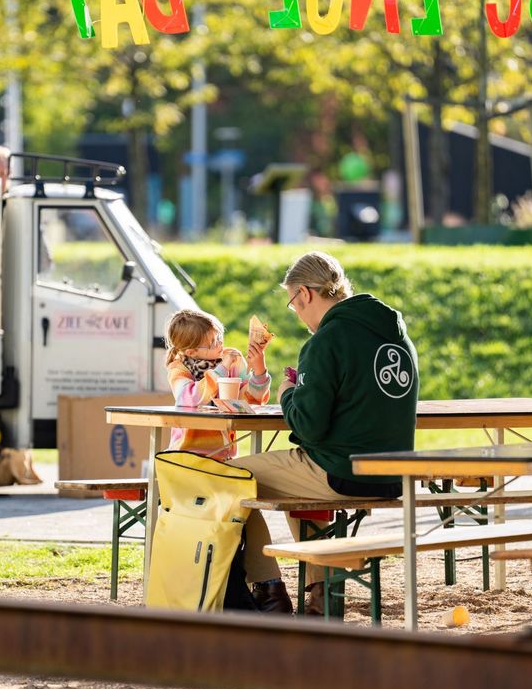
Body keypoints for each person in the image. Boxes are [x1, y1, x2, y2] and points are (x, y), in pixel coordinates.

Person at [230, 252, 419, 615]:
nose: (298, 314)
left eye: (293, 304)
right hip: (393, 475)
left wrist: (287, 393)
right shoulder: (397, 335)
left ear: (304, 294)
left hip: (341, 471)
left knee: (230, 478)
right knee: (298, 488)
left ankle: (269, 589)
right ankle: (322, 596)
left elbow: (308, 426)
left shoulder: (326, 340)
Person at [164, 309, 271, 461]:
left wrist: (260, 371)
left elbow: (250, 401)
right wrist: (221, 369)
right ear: (191, 352)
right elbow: (189, 399)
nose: (220, 343)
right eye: (213, 342)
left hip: (225, 454)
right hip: (186, 454)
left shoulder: (233, 359)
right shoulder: (179, 369)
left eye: (219, 336)